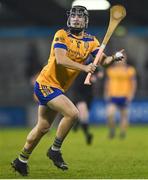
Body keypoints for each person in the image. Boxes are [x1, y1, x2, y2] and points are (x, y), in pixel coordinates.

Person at [11, 5, 124, 176]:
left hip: (58, 88)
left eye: (80, 17)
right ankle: (55, 150)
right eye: (73, 16)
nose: (76, 19)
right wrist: (85, 68)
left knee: (42, 127)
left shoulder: (92, 41)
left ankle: (21, 160)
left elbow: (103, 60)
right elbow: (61, 60)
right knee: (73, 113)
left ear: (85, 21)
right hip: (45, 84)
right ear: (69, 18)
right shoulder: (61, 35)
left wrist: (114, 58)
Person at [104, 53, 137, 139]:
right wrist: (106, 93)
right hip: (113, 95)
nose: (120, 60)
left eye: (122, 58)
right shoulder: (111, 70)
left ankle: (122, 133)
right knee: (110, 114)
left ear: (125, 59)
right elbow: (107, 83)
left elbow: (133, 83)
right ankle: (112, 130)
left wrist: (131, 94)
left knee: (124, 115)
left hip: (125, 95)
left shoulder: (130, 70)